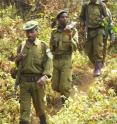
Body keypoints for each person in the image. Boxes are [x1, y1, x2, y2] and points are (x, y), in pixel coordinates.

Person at [15, 20, 52, 124]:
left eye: (31, 31)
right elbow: (18, 65)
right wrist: (17, 60)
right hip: (24, 83)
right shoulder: (21, 46)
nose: (29, 34)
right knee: (24, 112)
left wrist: (45, 76)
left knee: (40, 109)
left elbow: (49, 60)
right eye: (27, 32)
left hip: (38, 83)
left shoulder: (44, 46)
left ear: (37, 31)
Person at [50, 10, 78, 103]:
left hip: (66, 60)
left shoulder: (73, 31)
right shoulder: (54, 32)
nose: (65, 19)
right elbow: (51, 47)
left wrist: (69, 35)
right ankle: (64, 95)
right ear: (58, 19)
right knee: (55, 85)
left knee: (64, 86)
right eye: (62, 17)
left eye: (66, 17)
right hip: (56, 60)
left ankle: (65, 103)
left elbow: (75, 47)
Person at [79, 0, 109, 76]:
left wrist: (103, 21)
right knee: (88, 50)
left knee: (98, 49)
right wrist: (82, 23)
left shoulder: (101, 5)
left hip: (99, 29)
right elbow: (81, 17)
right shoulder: (85, 5)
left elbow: (106, 17)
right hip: (89, 30)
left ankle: (97, 68)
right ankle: (97, 64)